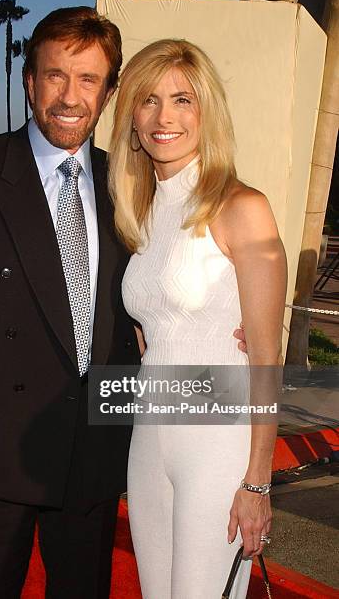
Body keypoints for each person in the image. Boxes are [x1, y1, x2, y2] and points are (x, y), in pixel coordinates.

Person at [0, 6, 142, 599]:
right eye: (55, 75)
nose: (70, 96)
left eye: (88, 79)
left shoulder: (128, 186)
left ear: (108, 92)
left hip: (92, 447)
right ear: (30, 81)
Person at [109, 39, 287, 598]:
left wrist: (257, 482)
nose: (165, 117)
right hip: (150, 432)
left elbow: (265, 356)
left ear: (206, 111)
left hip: (217, 439)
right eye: (149, 100)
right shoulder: (138, 213)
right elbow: (152, 329)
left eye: (183, 99)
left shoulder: (242, 207)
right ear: (131, 119)